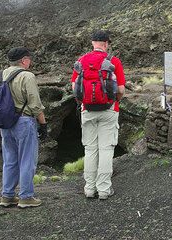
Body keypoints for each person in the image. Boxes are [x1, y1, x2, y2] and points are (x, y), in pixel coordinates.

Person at [71, 30, 125, 200]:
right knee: (106, 149)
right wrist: (115, 100)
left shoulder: (81, 61)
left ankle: (89, 188)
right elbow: (121, 89)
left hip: (87, 110)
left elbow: (74, 88)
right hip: (109, 110)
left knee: (90, 149)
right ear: (106, 44)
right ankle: (103, 189)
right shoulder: (113, 61)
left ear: (93, 43)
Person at [0, 47, 47, 208]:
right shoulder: (27, 75)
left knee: (9, 159)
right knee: (27, 159)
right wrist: (43, 123)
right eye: (29, 59)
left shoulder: (0, 75)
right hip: (23, 121)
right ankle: (26, 196)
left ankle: (7, 195)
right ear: (24, 60)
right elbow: (35, 104)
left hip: (4, 122)